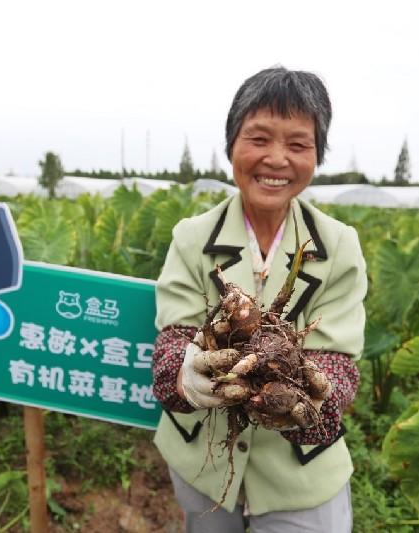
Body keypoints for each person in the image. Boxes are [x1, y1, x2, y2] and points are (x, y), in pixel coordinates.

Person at [151, 66, 367, 533]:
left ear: (317, 155)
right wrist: (187, 374)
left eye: (297, 144)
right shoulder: (192, 239)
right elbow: (173, 342)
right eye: (259, 138)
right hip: (203, 464)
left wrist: (305, 392)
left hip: (302, 469)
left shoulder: (339, 245)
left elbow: (338, 362)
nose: (276, 159)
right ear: (232, 145)